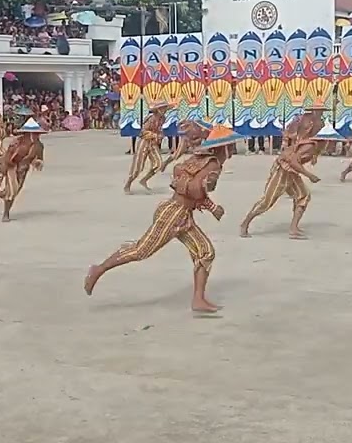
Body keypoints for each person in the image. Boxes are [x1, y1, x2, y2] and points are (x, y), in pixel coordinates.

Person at [84, 125, 244, 313]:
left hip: (181, 214)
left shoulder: (201, 159)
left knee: (205, 252)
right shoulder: (213, 164)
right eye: (231, 146)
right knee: (140, 250)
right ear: (222, 147)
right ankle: (99, 269)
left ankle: (198, 299)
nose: (233, 151)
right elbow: (192, 188)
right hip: (174, 214)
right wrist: (212, 206)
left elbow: (179, 174)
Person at [238, 124, 327, 240]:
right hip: (282, 170)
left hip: (291, 172)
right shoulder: (309, 146)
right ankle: (245, 223)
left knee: (303, 196)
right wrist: (309, 175)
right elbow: (293, 162)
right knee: (267, 201)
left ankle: (293, 228)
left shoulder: (314, 145)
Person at [0, 117, 46, 222]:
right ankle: (6, 214)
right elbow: (8, 158)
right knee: (11, 192)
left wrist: (37, 163)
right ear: (27, 134)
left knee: (14, 192)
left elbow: (40, 159)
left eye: (37, 134)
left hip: (23, 170)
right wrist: (4, 171)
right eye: (34, 134)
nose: (36, 136)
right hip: (11, 167)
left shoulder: (39, 146)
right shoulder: (16, 143)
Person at [124, 100, 167, 193]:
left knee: (159, 164)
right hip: (144, 143)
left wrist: (160, 135)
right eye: (162, 108)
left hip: (153, 144)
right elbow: (142, 132)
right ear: (158, 109)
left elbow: (160, 130)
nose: (164, 110)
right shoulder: (150, 118)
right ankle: (128, 183)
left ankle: (144, 180)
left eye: (165, 108)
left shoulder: (163, 119)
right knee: (138, 168)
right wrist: (154, 135)